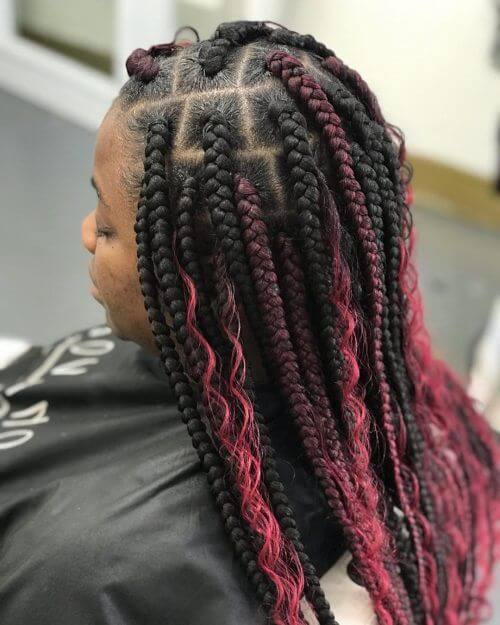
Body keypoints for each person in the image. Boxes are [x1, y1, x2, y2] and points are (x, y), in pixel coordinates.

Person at [0, 20, 498, 625]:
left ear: (200, 281)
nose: (84, 233)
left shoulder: (86, 573)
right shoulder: (369, 385)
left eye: (106, 226)